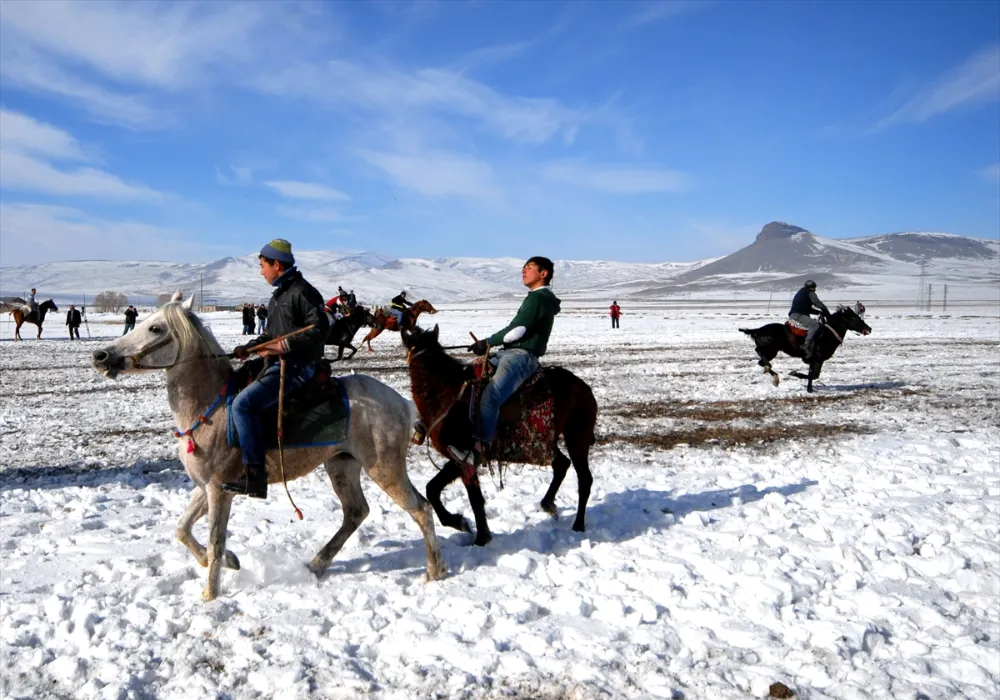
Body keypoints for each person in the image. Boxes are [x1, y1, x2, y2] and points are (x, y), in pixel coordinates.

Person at [222, 238, 330, 499]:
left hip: (298, 367)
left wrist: (285, 345)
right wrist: (248, 347)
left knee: (242, 405)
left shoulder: (303, 292)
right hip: (279, 362)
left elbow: (321, 329)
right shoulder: (279, 295)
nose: (261, 271)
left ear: (276, 265)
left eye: (262, 265)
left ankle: (256, 475)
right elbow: (271, 335)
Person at [448, 256, 560, 468]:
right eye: (523, 267)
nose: (523, 270)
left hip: (521, 356)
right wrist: (487, 345)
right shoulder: (534, 298)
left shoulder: (539, 298)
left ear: (543, 274)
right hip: (506, 353)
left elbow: (517, 331)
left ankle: (479, 449)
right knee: (466, 378)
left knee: (491, 394)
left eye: (529, 267)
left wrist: (487, 342)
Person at [788, 279, 830, 360]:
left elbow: (806, 308)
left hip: (795, 314)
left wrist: (818, 312)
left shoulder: (801, 292)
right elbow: (817, 302)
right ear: (811, 287)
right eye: (814, 288)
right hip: (799, 315)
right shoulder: (810, 293)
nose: (815, 289)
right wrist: (825, 310)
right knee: (814, 325)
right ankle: (806, 344)